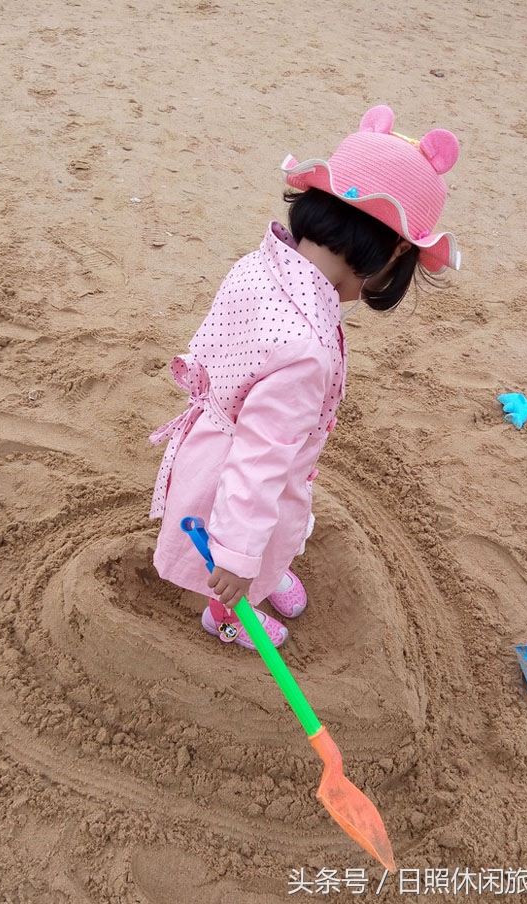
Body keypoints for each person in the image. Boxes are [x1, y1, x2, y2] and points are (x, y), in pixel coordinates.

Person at [149, 104, 460, 649]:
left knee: (270, 541)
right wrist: (239, 555)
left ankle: (262, 571)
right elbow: (259, 460)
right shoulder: (306, 350)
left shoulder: (263, 263)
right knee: (239, 556)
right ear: (395, 251)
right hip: (237, 474)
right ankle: (227, 611)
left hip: (211, 440)